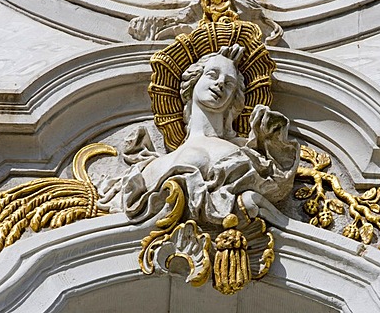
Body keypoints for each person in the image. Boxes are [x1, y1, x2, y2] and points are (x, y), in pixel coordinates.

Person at [95, 44, 299, 228]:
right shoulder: (148, 167)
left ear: (234, 99)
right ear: (193, 81)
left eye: (229, 84)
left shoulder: (247, 156)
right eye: (212, 74)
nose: (220, 83)